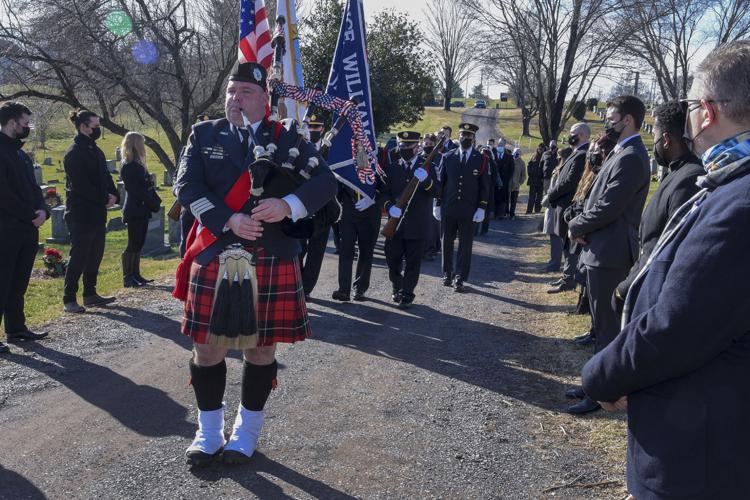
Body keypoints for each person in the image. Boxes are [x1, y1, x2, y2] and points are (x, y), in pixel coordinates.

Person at [582, 41, 750, 499]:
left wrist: (602, 375)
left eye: (692, 105)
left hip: (703, 461)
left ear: (708, 112)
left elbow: (677, 325)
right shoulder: (730, 185)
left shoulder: (740, 202)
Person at [174, 62, 337, 466]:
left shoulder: (287, 139)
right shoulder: (204, 134)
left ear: (265, 99)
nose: (235, 99)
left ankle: (245, 433)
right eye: (231, 92)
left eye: (245, 92)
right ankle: (208, 433)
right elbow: (185, 185)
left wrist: (287, 205)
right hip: (216, 249)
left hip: (271, 255)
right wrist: (227, 219)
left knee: (261, 352)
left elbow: (326, 183)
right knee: (206, 350)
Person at [566, 95, 650, 415]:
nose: (608, 122)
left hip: (611, 252)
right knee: (600, 325)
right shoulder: (619, 151)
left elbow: (609, 206)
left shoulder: (631, 156)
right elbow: (595, 196)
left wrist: (576, 224)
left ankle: (601, 393)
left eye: (612, 117)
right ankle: (593, 384)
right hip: (599, 249)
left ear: (627, 120)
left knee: (608, 329)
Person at [612, 100, 704, 313]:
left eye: (653, 138)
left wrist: (625, 288)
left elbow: (665, 247)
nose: (652, 145)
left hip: (655, 296)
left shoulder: (689, 179)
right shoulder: (676, 173)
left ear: (666, 140)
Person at [0, 101, 50, 353]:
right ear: (11, 123)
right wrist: (30, 214)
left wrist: (44, 210)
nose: (28, 128)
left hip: (28, 228)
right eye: (25, 123)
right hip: (6, 229)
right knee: (2, 281)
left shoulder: (20, 154)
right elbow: (4, 194)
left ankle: (16, 328)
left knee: (19, 281)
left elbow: (33, 188)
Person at [62, 109, 119, 313]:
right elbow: (81, 186)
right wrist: (104, 198)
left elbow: (106, 176)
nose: (98, 130)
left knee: (95, 254)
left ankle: (90, 294)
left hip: (97, 212)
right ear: (84, 126)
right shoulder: (73, 153)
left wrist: (114, 194)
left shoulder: (96, 150)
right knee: (79, 256)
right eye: (95, 126)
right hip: (80, 213)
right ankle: (69, 298)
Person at [382, 131, 440, 309]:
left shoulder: (427, 167)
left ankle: (407, 293)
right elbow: (384, 192)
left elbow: (438, 191)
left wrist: (427, 181)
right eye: (401, 146)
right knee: (392, 258)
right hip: (396, 224)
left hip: (418, 223)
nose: (404, 149)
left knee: (413, 262)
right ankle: (396, 286)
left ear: (417, 147)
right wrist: (388, 206)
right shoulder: (394, 167)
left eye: (408, 146)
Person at [436, 123, 490, 293]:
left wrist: (482, 207)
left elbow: (485, 187)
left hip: (469, 209)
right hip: (449, 207)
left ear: (473, 138)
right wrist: (437, 204)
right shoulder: (448, 156)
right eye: (462, 135)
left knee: (466, 245)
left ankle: (460, 276)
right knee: (446, 242)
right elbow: (441, 183)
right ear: (457, 136)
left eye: (468, 135)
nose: (465, 138)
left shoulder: (481, 159)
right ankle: (447, 273)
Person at [546, 123, 590, 293]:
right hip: (563, 205)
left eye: (573, 133)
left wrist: (551, 194)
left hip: (568, 206)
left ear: (582, 135)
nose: (570, 136)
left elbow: (570, 182)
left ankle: (569, 279)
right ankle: (567, 276)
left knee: (570, 244)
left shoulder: (581, 154)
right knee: (565, 244)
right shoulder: (576, 152)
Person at [299, 115, 337, 297]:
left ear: (323, 129)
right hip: (300, 204)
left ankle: (306, 289)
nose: (313, 130)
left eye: (317, 127)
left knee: (317, 250)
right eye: (310, 127)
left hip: (323, 205)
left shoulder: (333, 148)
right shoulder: (299, 145)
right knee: (298, 248)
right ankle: (296, 285)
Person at [120, 132, 161, 288]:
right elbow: (136, 189)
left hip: (142, 209)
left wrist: (153, 200)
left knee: (140, 242)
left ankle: (136, 274)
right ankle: (127, 276)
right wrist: (150, 202)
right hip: (134, 209)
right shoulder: (129, 165)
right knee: (133, 242)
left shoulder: (138, 164)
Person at [494, 138, 514, 219]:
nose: (500, 146)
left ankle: (501, 214)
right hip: (495, 181)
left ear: (504, 145)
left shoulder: (509, 157)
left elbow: (511, 170)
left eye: (502, 145)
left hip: (504, 181)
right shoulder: (494, 155)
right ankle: (494, 213)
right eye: (499, 144)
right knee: (495, 197)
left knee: (503, 198)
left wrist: (506, 180)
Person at [526, 143, 546, 214]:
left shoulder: (545, 156)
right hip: (533, 179)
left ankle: (537, 210)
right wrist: (530, 173)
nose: (540, 150)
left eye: (542, 149)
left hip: (541, 180)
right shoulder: (534, 156)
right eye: (539, 148)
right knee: (531, 197)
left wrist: (544, 177)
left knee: (539, 197)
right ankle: (529, 211)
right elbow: (529, 165)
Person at [508, 148, 526, 218]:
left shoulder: (522, 163)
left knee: (514, 200)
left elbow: (524, 175)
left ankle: (512, 213)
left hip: (516, 186)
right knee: (507, 199)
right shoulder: (510, 160)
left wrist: (520, 183)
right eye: (515, 153)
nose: (516, 154)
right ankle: (506, 212)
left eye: (518, 153)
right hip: (508, 184)